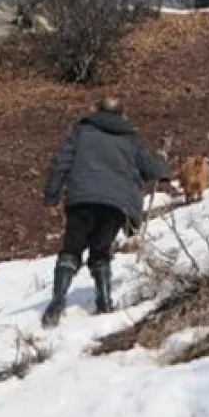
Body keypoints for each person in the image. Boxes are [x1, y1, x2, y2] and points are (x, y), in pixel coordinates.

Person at [40, 96, 170, 328]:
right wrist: (162, 159)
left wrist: (52, 195)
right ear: (123, 113)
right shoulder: (131, 139)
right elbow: (153, 170)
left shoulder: (81, 132)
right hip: (117, 204)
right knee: (100, 251)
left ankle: (57, 302)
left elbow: (61, 162)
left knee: (72, 249)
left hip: (82, 198)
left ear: (96, 110)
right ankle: (104, 301)